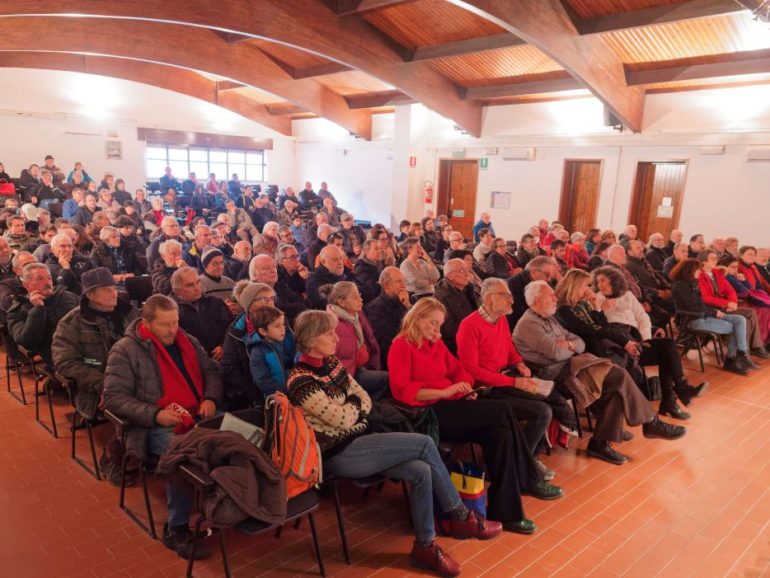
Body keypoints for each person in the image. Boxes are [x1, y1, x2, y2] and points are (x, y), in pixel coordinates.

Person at [288, 309, 501, 577]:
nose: (336, 338)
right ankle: (460, 516)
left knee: (421, 470)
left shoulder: (331, 363)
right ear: (310, 339)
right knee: (424, 443)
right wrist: (354, 407)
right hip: (339, 453)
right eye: (328, 333)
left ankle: (425, 547)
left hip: (363, 439)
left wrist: (352, 406)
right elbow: (341, 418)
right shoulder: (301, 381)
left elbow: (362, 398)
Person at [389, 298, 563, 534]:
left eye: (439, 324)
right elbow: (403, 391)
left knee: (500, 435)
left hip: (452, 404)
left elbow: (459, 370)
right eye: (432, 323)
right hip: (429, 413)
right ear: (416, 319)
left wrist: (464, 386)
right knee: (502, 410)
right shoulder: (401, 345)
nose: (437, 330)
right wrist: (445, 391)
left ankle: (507, 512)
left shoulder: (435, 344)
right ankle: (529, 477)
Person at [514, 280, 686, 465]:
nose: (556, 298)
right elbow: (556, 354)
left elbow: (578, 342)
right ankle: (644, 425)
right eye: (551, 295)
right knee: (617, 378)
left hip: (572, 364)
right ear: (537, 300)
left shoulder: (549, 317)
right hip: (554, 375)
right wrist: (569, 345)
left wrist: (569, 344)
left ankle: (607, 441)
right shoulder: (528, 324)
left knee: (616, 383)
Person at [103, 295, 221, 560]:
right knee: (183, 457)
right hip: (150, 427)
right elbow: (114, 398)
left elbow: (211, 371)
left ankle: (228, 504)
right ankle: (177, 528)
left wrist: (211, 398)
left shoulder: (187, 340)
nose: (172, 330)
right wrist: (156, 415)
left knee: (240, 437)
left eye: (175, 322)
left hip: (197, 413)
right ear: (146, 322)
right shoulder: (126, 350)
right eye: (165, 325)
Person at [457, 278, 569, 477]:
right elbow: (472, 371)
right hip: (484, 390)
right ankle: (526, 462)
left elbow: (509, 347)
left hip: (504, 379)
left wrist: (519, 363)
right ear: (490, 299)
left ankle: (524, 461)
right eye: (506, 295)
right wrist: (514, 381)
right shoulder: (469, 325)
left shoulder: (500, 319)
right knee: (541, 412)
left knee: (547, 397)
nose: (512, 300)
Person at [589, 267, 707, 417]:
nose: (600, 285)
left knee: (668, 346)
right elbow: (601, 328)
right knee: (667, 351)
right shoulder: (597, 300)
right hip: (621, 347)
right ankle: (677, 394)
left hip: (638, 340)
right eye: (598, 281)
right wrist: (600, 309)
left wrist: (646, 339)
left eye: (603, 280)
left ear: (614, 280)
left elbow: (642, 318)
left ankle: (674, 397)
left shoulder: (627, 295)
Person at [52, 268, 140, 419]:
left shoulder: (129, 312)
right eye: (107, 290)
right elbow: (66, 363)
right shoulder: (71, 323)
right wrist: (105, 385)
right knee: (138, 410)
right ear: (90, 295)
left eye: (114, 288)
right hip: (96, 387)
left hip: (138, 378)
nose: (114, 293)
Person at [670, 259, 751, 375]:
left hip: (704, 314)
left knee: (739, 320)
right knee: (735, 328)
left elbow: (702, 304)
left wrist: (720, 310)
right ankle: (731, 360)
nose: (700, 271)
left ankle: (741, 354)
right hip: (693, 319)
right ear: (689, 270)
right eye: (697, 269)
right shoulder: (680, 285)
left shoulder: (693, 282)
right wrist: (714, 312)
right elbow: (694, 307)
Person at [324, 281, 389, 401]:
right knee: (388, 379)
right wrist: (360, 355)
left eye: (359, 294)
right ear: (341, 302)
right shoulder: (336, 325)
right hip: (348, 375)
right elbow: (332, 361)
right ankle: (366, 405)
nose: (361, 299)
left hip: (361, 366)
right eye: (355, 297)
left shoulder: (356, 315)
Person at [698, 250, 770, 357]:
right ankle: (745, 351)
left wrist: (733, 303)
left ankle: (755, 346)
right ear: (704, 261)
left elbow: (730, 290)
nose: (716, 261)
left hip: (726, 306)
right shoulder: (699, 275)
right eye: (712, 259)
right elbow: (705, 298)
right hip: (713, 308)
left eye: (716, 259)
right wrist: (727, 303)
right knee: (746, 316)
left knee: (750, 312)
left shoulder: (717, 273)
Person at [7, 263, 79, 367]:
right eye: (40, 279)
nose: (47, 282)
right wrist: (37, 309)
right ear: (26, 284)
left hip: (87, 346)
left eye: (49, 278)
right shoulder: (17, 311)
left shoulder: (67, 296)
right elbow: (27, 342)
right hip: (61, 356)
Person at [221, 282, 277, 410]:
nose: (270, 303)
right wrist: (254, 394)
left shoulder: (281, 323)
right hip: (252, 394)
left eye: (272, 298)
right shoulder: (235, 332)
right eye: (264, 299)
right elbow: (229, 369)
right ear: (250, 305)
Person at [171, 267, 232, 362]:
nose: (196, 288)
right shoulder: (173, 312)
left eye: (198, 282)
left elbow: (231, 327)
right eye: (190, 285)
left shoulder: (215, 302)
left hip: (225, 356)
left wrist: (223, 346)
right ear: (177, 290)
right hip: (194, 361)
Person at [365, 267, 410, 369]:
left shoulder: (401, 300)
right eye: (399, 282)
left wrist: (407, 306)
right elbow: (394, 335)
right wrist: (405, 308)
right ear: (386, 285)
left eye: (403, 281)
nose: (404, 285)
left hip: (406, 347)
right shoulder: (375, 308)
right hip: (390, 354)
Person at [247, 306, 296, 397]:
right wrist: (287, 391)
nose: (283, 329)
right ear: (263, 331)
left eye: (283, 325)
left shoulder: (289, 340)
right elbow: (264, 381)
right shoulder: (258, 352)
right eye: (277, 326)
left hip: (297, 385)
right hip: (279, 397)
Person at [433, 258, 479, 355]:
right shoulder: (442, 298)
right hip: (457, 346)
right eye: (462, 271)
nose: (467, 274)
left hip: (474, 336)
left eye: (466, 270)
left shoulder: (467, 288)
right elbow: (450, 330)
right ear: (450, 276)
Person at [507, 256, 556, 329]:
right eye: (547, 274)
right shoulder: (513, 286)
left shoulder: (544, 282)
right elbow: (516, 315)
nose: (549, 279)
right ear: (533, 272)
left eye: (550, 276)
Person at [274, 243, 309, 322]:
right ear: (283, 261)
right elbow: (284, 303)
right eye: (292, 257)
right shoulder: (277, 277)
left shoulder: (300, 271)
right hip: (289, 316)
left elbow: (310, 294)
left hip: (303, 310)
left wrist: (306, 278)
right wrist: (302, 297)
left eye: (297, 256)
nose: (297, 260)